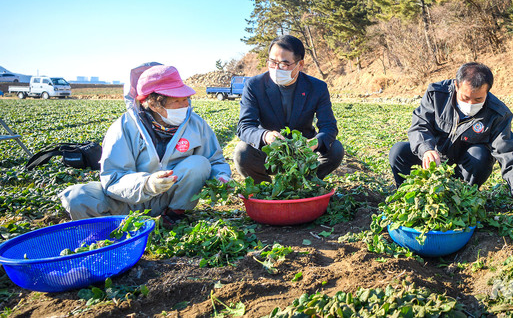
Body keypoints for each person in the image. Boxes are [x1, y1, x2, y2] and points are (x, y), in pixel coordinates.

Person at [59, 63, 231, 225]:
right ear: (153, 103)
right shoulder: (124, 127)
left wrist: (221, 177)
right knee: (78, 197)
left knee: (198, 163)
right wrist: (147, 184)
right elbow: (113, 178)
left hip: (170, 198)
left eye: (185, 99)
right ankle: (112, 229)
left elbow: (214, 160)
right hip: (128, 201)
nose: (185, 105)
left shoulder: (196, 124)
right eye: (177, 101)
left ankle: (174, 215)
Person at [389, 62, 513, 213]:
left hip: (465, 169)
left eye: (478, 99)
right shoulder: (437, 95)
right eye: (465, 98)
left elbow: (508, 152)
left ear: (487, 92)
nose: (470, 104)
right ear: (456, 85)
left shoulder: (497, 114)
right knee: (399, 151)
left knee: (480, 155)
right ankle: (410, 199)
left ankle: (458, 200)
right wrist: (426, 150)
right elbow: (420, 125)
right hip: (435, 162)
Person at [234, 35, 344, 183]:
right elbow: (244, 126)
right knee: (242, 152)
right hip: (268, 153)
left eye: (284, 64)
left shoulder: (317, 87)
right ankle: (265, 188)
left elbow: (329, 127)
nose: (277, 68)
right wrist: (265, 136)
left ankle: (306, 182)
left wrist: (313, 143)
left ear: (300, 65)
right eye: (272, 62)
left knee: (335, 149)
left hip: (303, 152)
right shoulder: (254, 85)